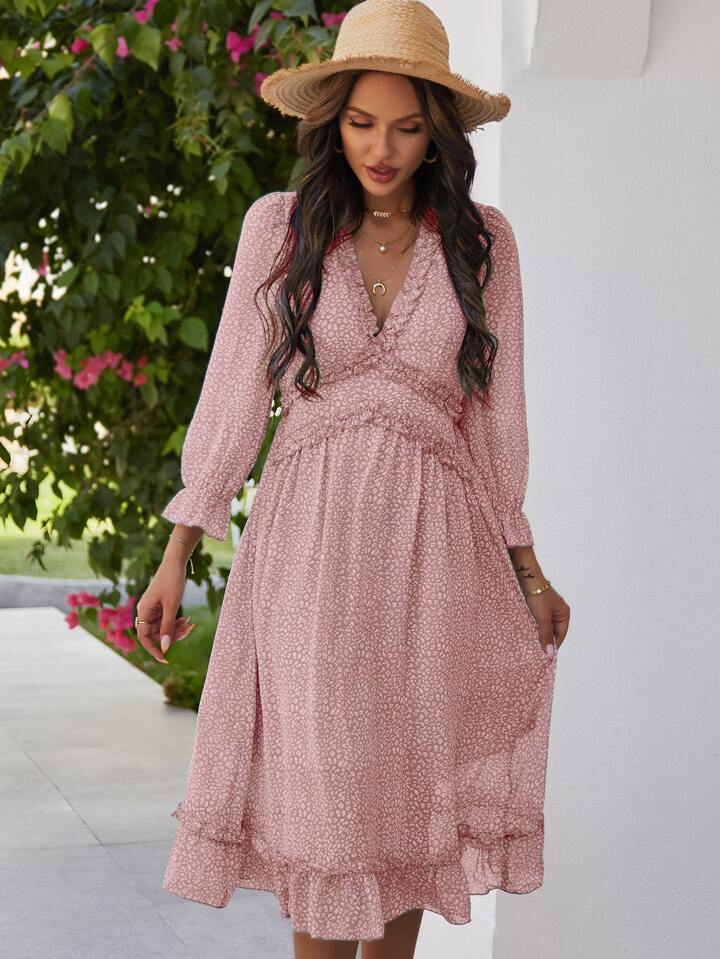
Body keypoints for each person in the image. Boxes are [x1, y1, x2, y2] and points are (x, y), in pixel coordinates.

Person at [135, 1, 571, 956]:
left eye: (407, 127)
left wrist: (528, 570)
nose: (382, 148)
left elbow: (498, 423)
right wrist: (178, 549)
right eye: (363, 123)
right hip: (309, 554)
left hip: (434, 559)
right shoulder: (280, 228)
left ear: (438, 132)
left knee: (407, 797)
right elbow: (233, 395)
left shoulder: (484, 243)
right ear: (333, 121)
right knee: (326, 805)